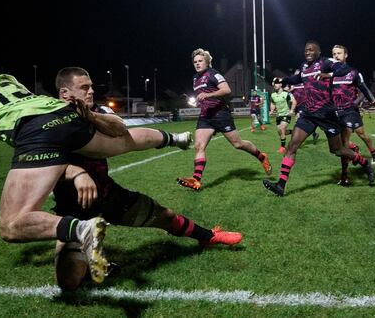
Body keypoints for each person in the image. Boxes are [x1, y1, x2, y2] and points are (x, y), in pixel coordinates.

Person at [0, 63, 193, 284]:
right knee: (123, 142)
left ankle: (82, 229)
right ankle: (175, 139)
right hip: (60, 115)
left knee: (11, 225)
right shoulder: (7, 79)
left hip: (35, 132)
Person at [51, 67, 242, 291]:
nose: (91, 91)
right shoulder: (49, 121)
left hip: (107, 194)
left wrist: (90, 116)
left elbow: (120, 128)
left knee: (165, 216)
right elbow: (34, 164)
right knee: (70, 281)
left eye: (91, 86)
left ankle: (208, 236)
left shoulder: (98, 111)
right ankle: (90, 252)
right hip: (73, 208)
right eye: (84, 88)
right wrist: (75, 173)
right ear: (65, 93)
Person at [262, 41, 375, 196]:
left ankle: (364, 163)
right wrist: (284, 80)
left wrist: (329, 74)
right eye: (306, 50)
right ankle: (280, 186)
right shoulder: (304, 66)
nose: (307, 52)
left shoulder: (325, 62)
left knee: (337, 150)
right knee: (292, 146)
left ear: (318, 52)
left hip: (327, 114)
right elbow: (299, 78)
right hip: (308, 114)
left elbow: (344, 69)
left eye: (311, 49)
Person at [177, 48, 271, 191]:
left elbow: (227, 90)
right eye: (195, 62)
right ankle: (196, 180)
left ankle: (261, 157)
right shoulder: (195, 78)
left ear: (207, 62)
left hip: (221, 114)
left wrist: (208, 95)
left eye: (200, 61)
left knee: (238, 144)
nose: (197, 64)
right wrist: (198, 102)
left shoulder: (213, 74)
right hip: (205, 117)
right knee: (199, 146)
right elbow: (203, 96)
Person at [330, 45, 375, 186]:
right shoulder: (330, 74)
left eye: (339, 53)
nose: (336, 56)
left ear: (346, 55)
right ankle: (355, 151)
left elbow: (364, 89)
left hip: (350, 111)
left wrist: (372, 100)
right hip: (336, 112)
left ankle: (345, 176)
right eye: (334, 54)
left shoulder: (353, 73)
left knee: (355, 138)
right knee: (341, 144)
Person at [268, 78, 296, 154]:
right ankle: (293, 132)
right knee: (280, 132)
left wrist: (291, 110)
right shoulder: (273, 95)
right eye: (274, 83)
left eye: (276, 83)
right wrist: (272, 110)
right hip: (278, 116)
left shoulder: (286, 94)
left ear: (280, 84)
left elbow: (294, 102)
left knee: (282, 128)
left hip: (286, 114)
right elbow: (273, 103)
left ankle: (282, 147)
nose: (275, 84)